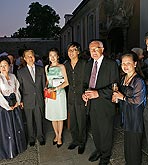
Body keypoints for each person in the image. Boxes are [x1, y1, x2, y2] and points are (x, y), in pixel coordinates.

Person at [82, 40, 119, 164]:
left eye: (96, 49)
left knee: (106, 132)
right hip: (92, 104)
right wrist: (84, 93)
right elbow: (85, 84)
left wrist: (98, 93)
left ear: (102, 49)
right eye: (91, 49)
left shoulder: (111, 64)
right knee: (96, 130)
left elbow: (115, 86)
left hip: (105, 104)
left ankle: (105, 156)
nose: (93, 52)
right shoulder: (88, 64)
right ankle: (98, 150)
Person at [112, 52, 146, 165]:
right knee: (127, 145)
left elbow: (138, 101)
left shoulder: (138, 81)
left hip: (135, 118)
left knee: (135, 146)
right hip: (126, 116)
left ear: (135, 64)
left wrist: (123, 97)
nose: (125, 66)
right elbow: (120, 95)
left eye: (128, 63)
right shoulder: (123, 78)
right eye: (123, 63)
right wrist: (115, 96)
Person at [17, 49, 46, 146]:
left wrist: (45, 98)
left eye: (32, 56)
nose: (30, 58)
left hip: (39, 98)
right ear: (24, 58)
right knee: (29, 120)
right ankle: (31, 138)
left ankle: (40, 136)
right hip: (27, 99)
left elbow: (43, 86)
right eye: (28, 56)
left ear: (34, 57)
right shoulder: (20, 72)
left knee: (39, 119)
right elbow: (20, 88)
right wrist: (21, 100)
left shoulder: (41, 69)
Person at [0, 56, 27, 159]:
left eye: (5, 65)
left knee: (17, 125)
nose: (3, 68)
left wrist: (18, 102)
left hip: (14, 104)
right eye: (1, 66)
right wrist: (7, 106)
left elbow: (17, 90)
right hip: (4, 107)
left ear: (9, 66)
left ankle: (18, 147)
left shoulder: (13, 76)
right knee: (6, 128)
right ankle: (9, 150)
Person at [64, 42, 87, 154]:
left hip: (81, 96)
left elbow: (88, 80)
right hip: (70, 96)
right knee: (72, 120)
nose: (71, 52)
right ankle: (75, 140)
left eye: (73, 50)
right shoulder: (66, 65)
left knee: (81, 120)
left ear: (78, 51)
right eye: (69, 50)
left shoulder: (84, 64)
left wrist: (86, 93)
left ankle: (82, 142)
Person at [45, 48, 68, 148]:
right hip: (50, 94)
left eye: (54, 55)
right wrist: (46, 87)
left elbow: (67, 82)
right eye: (51, 55)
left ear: (58, 56)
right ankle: (56, 134)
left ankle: (59, 137)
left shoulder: (62, 66)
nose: (52, 57)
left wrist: (56, 88)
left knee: (60, 116)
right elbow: (47, 81)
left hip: (60, 94)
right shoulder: (47, 67)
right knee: (53, 116)